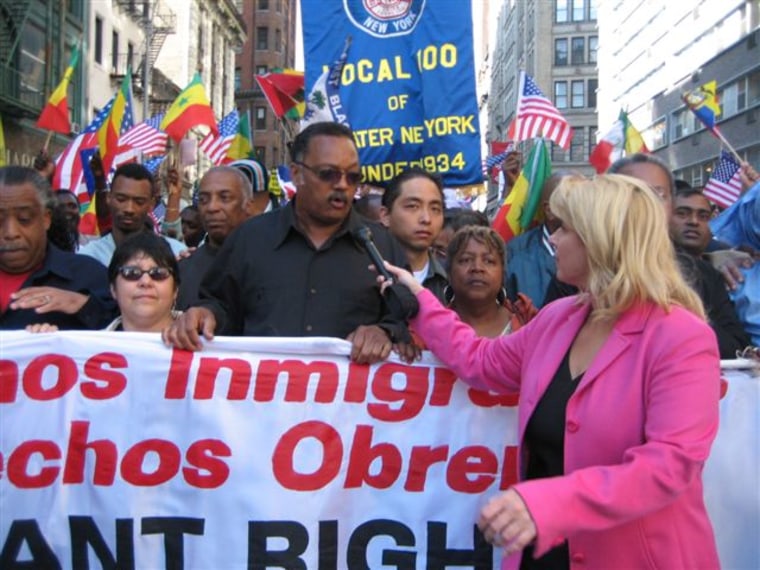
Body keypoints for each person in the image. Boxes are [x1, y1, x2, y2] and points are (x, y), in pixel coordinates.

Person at [380, 174, 720, 569]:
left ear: (600, 239)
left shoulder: (681, 337)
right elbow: (481, 361)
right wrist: (420, 300)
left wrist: (547, 502)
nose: (552, 239)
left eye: (563, 229)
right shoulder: (559, 318)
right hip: (542, 554)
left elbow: (668, 467)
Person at [163, 121, 410, 364]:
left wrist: (385, 331)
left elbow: (410, 321)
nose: (343, 185)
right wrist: (204, 315)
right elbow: (219, 306)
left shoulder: (381, 247)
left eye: (353, 176)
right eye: (328, 174)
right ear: (296, 173)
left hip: (349, 402)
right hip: (261, 399)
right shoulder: (250, 239)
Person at [610, 153, 749, 358]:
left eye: (658, 194)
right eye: (635, 192)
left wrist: (683, 312)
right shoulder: (583, 265)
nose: (646, 203)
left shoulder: (705, 274)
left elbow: (735, 347)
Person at [0, 166, 117, 330]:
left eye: (24, 219)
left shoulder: (90, 275)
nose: (10, 233)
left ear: (46, 219)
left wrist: (83, 305)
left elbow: (134, 334)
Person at [175, 165, 252, 309]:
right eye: (203, 200)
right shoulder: (181, 270)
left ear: (248, 205)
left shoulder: (269, 263)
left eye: (224, 198)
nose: (212, 208)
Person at [79, 163, 185, 266]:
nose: (129, 209)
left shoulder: (175, 254)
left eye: (139, 202)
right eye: (121, 199)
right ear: (109, 198)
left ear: (151, 204)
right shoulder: (88, 258)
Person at [445, 225, 536, 337]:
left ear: (503, 272)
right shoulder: (430, 329)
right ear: (449, 272)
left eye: (489, 261)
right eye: (466, 260)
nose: (477, 268)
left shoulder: (527, 324)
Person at [506, 172, 576, 309]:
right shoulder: (514, 254)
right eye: (573, 201)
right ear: (549, 210)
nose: (584, 208)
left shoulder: (598, 251)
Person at [380, 168, 447, 302]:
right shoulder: (364, 273)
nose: (426, 219)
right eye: (413, 206)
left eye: (435, 209)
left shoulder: (452, 281)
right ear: (385, 216)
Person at [105, 232, 181, 332]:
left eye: (158, 273)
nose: (145, 282)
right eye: (131, 272)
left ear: (175, 289)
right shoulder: (89, 346)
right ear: (113, 289)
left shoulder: (205, 339)